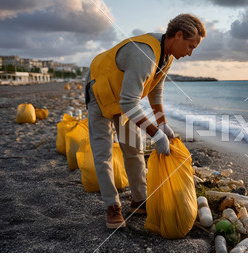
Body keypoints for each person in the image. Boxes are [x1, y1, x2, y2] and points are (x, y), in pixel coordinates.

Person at [84, 14, 206, 229]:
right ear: (178, 35)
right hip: (99, 93)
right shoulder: (144, 54)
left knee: (134, 149)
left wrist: (162, 123)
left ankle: (139, 200)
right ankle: (112, 206)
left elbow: (155, 90)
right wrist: (156, 134)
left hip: (124, 100)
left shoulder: (166, 56)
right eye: (190, 46)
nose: (190, 53)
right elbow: (130, 103)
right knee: (104, 154)